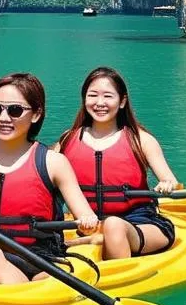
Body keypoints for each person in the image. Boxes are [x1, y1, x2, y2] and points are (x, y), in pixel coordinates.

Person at [0, 72, 98, 284]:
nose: (3, 118)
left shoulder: (53, 162)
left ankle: (28, 297)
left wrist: (87, 222)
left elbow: (84, 217)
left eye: (15, 110)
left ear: (36, 114)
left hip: (33, 257)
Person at [55, 66, 178, 259]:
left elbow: (172, 181)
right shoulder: (67, 140)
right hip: (88, 226)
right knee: (108, 226)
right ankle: (95, 239)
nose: (99, 103)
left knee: (114, 225)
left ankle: (107, 253)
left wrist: (167, 184)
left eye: (108, 96)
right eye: (93, 95)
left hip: (140, 223)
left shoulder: (141, 140)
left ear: (122, 101)